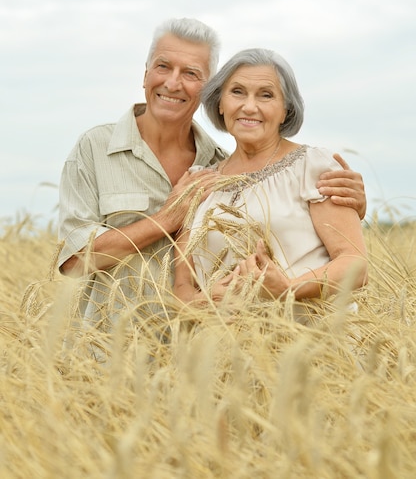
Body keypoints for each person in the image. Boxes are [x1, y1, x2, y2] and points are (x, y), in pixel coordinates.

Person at [58, 19, 366, 335]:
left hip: (286, 352)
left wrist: (353, 210)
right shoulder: (104, 151)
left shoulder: (296, 167)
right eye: (163, 67)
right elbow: (76, 262)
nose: (174, 83)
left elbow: (350, 259)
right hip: (118, 349)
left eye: (191, 73)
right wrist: (167, 221)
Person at [173, 48, 368, 313]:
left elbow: (355, 265)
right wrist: (203, 304)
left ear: (286, 109)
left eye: (266, 95)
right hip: (223, 346)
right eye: (237, 92)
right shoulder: (200, 182)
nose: (249, 106)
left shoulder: (313, 167)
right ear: (220, 102)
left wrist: (288, 289)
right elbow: (182, 287)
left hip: (311, 343)